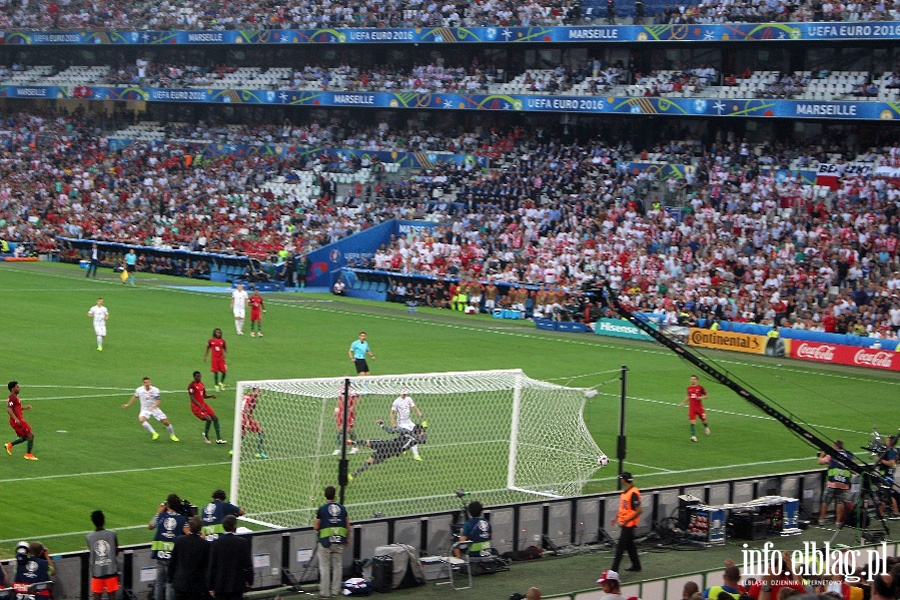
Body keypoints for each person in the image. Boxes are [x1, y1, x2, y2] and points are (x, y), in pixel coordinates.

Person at [348, 421, 427, 481]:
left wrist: (382, 424)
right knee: (370, 461)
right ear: (419, 432)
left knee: (368, 442)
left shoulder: (406, 431)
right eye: (422, 432)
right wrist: (425, 428)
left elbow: (390, 431)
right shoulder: (416, 440)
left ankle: (353, 443)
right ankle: (353, 475)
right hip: (389, 453)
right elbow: (423, 440)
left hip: (387, 444)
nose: (422, 433)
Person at [149, 494, 190, 600]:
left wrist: (158, 512)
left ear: (168, 505)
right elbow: (189, 533)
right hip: (172, 557)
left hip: (160, 554)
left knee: (159, 582)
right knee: (169, 583)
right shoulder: (182, 519)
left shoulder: (161, 516)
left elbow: (150, 526)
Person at [313, 485, 350, 599]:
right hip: (339, 540)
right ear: (335, 495)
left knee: (324, 566)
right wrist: (347, 538)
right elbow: (348, 525)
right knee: (337, 565)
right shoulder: (342, 508)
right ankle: (335, 591)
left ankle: (325, 592)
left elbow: (315, 526)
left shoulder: (322, 509)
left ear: (325, 496)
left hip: (325, 541)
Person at [207, 514, 253, 600]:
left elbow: (212, 566)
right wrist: (249, 581)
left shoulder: (215, 544)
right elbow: (247, 564)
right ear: (234, 526)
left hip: (220, 585)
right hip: (237, 585)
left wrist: (210, 586)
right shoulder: (242, 542)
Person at [122, 377, 179, 442]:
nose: (147, 384)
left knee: (166, 422)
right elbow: (135, 397)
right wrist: (128, 404)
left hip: (154, 408)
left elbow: (158, 400)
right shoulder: (139, 390)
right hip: (145, 409)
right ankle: (154, 433)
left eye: (148, 382)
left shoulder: (155, 390)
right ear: (143, 383)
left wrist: (155, 406)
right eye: (146, 382)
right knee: (142, 420)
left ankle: (172, 435)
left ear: (150, 382)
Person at [167, 516, 210, 600]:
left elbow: (173, 561)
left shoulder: (179, 541)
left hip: (180, 583)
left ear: (189, 527)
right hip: (196, 585)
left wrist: (171, 578)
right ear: (201, 528)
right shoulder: (205, 544)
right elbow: (207, 565)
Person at [610, 471, 642, 573]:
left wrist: (626, 520)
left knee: (620, 547)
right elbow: (623, 508)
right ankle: (636, 565)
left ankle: (614, 571)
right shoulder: (626, 493)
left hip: (629, 524)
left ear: (624, 480)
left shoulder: (633, 493)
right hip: (625, 523)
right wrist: (616, 517)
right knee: (630, 545)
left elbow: (639, 511)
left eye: (621, 479)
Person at [817, 440, 853, 527]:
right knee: (840, 502)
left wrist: (821, 455)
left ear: (836, 446)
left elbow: (820, 462)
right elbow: (853, 466)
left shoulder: (832, 455)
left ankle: (821, 519)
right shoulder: (849, 455)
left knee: (826, 501)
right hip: (844, 483)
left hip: (832, 483)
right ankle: (838, 522)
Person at [86, 510, 119, 600]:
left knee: (97, 596)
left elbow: (91, 551)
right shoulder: (112, 534)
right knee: (112, 596)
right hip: (111, 569)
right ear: (104, 520)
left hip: (97, 571)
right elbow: (116, 550)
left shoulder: (89, 537)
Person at [188, 371, 225, 445]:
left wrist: (211, 396)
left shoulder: (202, 384)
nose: (199, 378)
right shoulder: (191, 386)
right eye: (198, 376)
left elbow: (204, 395)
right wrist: (200, 406)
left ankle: (219, 439)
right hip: (196, 407)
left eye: (200, 376)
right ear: (194, 377)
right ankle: (205, 434)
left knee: (215, 418)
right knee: (208, 419)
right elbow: (192, 398)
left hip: (203, 405)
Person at [5, 381, 38, 460]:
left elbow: (16, 408)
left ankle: (9, 445)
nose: (19, 388)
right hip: (18, 421)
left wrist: (24, 408)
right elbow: (9, 409)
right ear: (13, 389)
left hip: (18, 420)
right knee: (30, 435)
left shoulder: (15, 397)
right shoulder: (12, 397)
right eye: (17, 387)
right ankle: (28, 454)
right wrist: (16, 419)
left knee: (25, 436)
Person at [390, 390, 424, 460]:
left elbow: (414, 407)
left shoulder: (409, 399)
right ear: (400, 393)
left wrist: (419, 413)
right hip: (401, 423)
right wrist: (393, 423)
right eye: (403, 394)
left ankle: (404, 449)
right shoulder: (396, 402)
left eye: (405, 394)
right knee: (412, 436)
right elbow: (392, 413)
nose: (404, 395)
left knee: (412, 435)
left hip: (409, 422)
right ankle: (416, 455)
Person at [678, 375, 711, 442]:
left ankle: (706, 427)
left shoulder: (700, 387)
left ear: (697, 380)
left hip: (699, 407)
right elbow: (689, 396)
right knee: (692, 421)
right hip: (692, 408)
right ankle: (693, 436)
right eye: (691, 379)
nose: (692, 380)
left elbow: (707, 396)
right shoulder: (689, 388)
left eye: (693, 379)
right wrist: (683, 402)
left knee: (703, 420)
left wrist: (701, 397)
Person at [333, 380, 360, 456]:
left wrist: (353, 407)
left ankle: (355, 447)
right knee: (340, 429)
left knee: (349, 430)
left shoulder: (353, 389)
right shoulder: (341, 389)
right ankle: (337, 449)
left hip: (349, 412)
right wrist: (336, 409)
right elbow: (339, 400)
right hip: (341, 411)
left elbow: (358, 397)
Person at [240, 387, 268, 459]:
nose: (259, 393)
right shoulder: (252, 399)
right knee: (260, 431)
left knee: (242, 434)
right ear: (254, 390)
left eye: (260, 391)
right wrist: (247, 421)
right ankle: (259, 452)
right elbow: (246, 409)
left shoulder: (246, 396)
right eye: (258, 391)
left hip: (240, 417)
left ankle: (233, 450)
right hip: (245, 418)